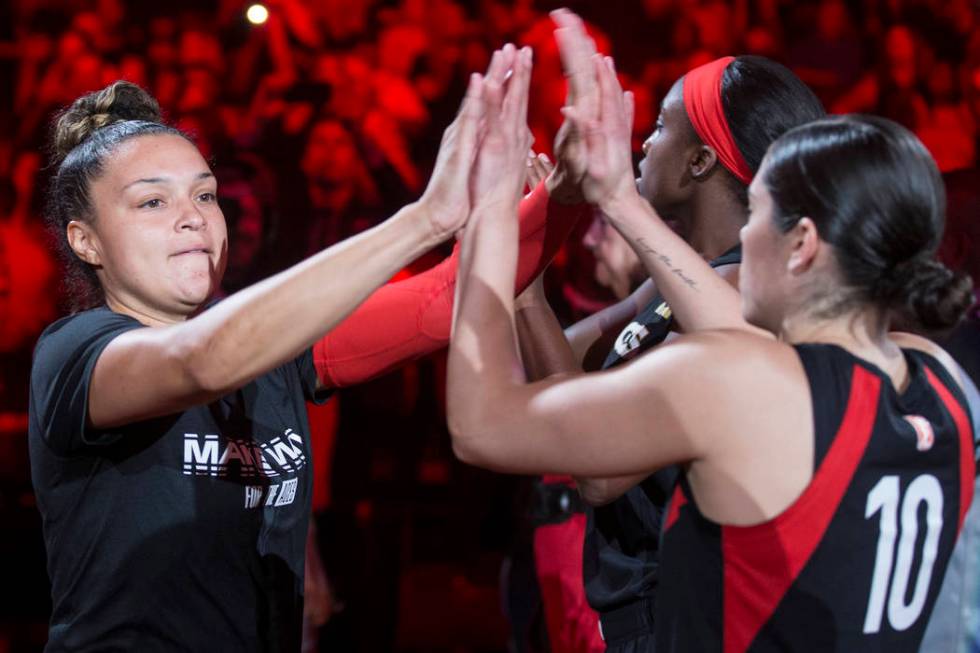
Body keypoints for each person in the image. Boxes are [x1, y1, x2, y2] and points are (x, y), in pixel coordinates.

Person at [28, 45, 582, 651]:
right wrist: (423, 219)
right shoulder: (76, 355)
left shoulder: (277, 343)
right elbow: (202, 360)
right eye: (153, 201)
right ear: (86, 242)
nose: (193, 218)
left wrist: (574, 190)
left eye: (205, 195)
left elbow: (449, 295)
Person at [447, 32, 976, 652]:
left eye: (758, 215)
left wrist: (489, 214)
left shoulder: (744, 382)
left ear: (801, 243)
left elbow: (481, 427)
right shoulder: (944, 381)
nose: (745, 238)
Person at [513, 10, 825, 650]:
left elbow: (598, 469)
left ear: (701, 160)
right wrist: (543, 229)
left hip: (685, 621)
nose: (643, 146)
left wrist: (523, 290)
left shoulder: (742, 297)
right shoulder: (678, 282)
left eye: (659, 129)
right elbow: (554, 375)